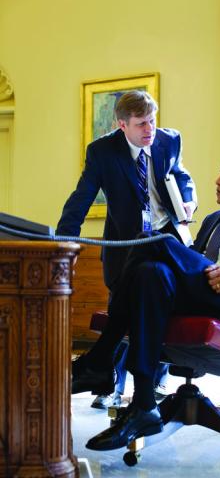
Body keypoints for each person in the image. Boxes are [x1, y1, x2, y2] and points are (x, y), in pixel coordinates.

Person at [71, 150, 220, 452]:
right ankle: (144, 403)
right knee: (150, 273)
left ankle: (101, 359)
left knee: (159, 240)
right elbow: (188, 262)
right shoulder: (212, 220)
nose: (218, 181)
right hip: (197, 294)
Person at [56, 90, 197, 405]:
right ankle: (114, 384)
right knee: (126, 310)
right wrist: (65, 244)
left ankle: (146, 382)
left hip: (168, 237)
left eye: (152, 121)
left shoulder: (168, 140)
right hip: (126, 244)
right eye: (141, 124)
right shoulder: (102, 152)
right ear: (122, 125)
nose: (149, 130)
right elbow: (81, 199)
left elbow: (182, 175)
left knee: (158, 309)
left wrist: (189, 198)